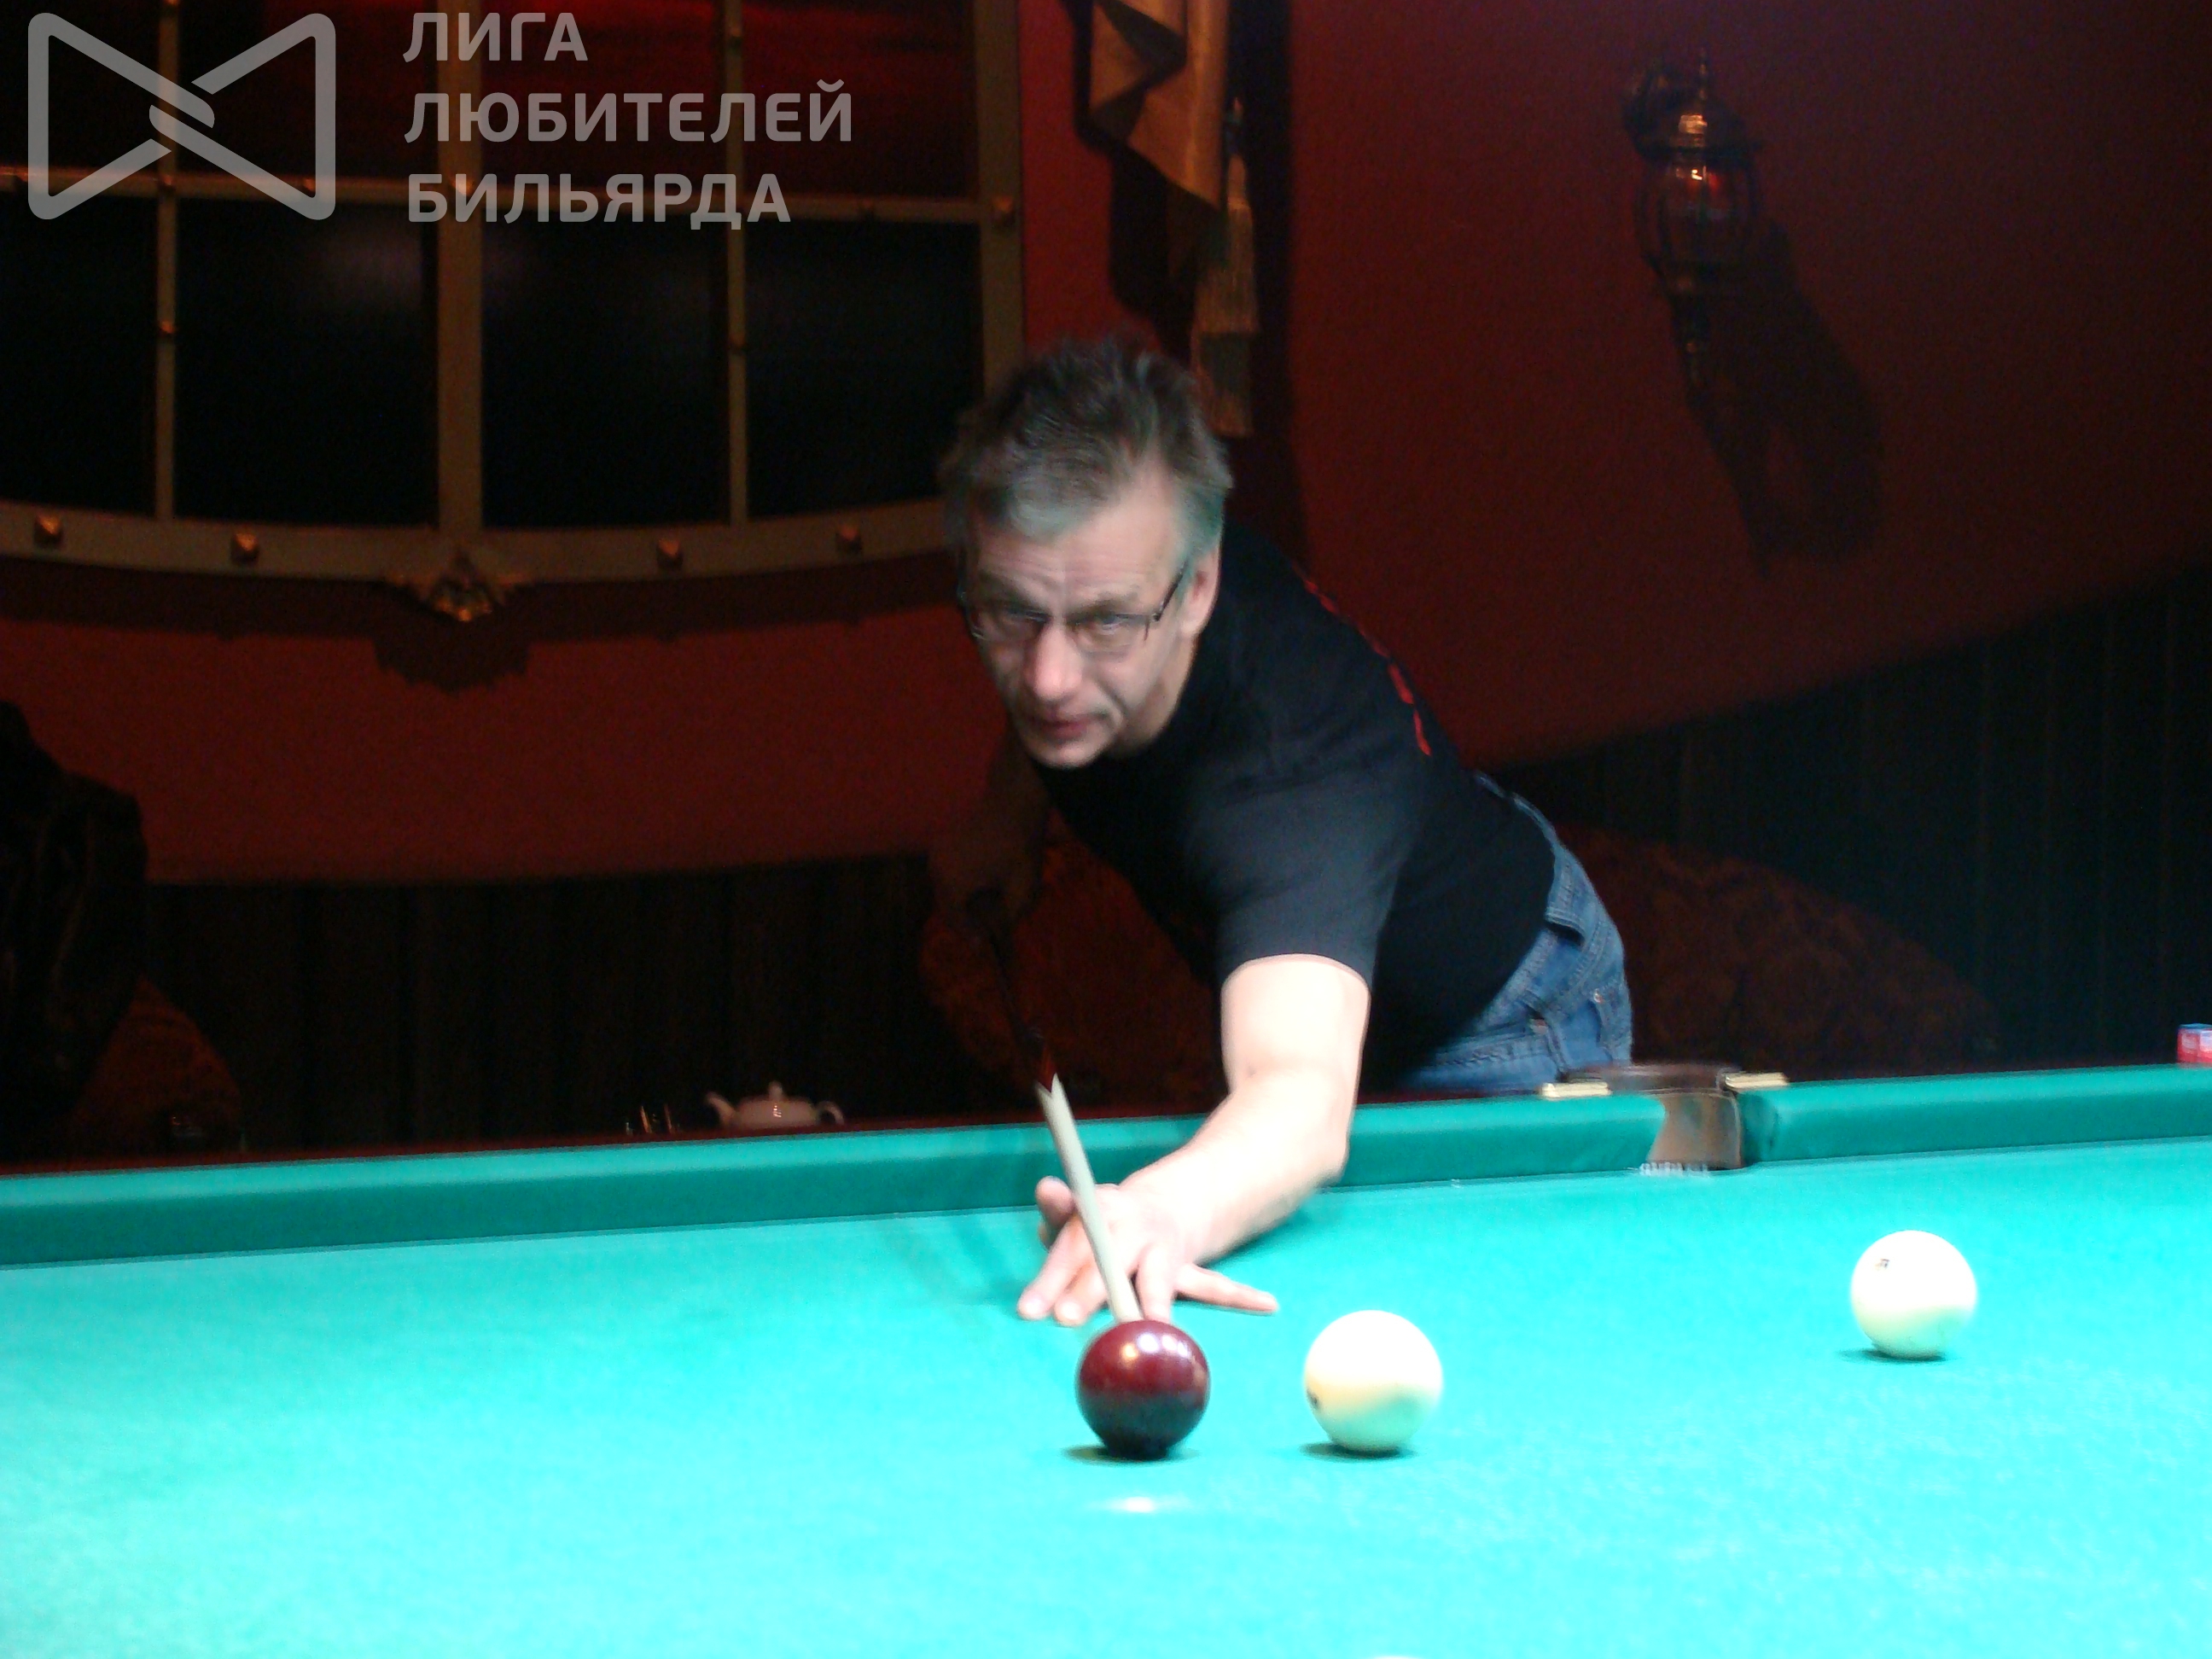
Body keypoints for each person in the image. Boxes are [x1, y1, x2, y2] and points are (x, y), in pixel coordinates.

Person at [931, 337, 1631, 1328]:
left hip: (1499, 1012)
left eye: (1103, 624)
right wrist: (1007, 816)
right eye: (1009, 614)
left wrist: (1163, 1212)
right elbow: (1056, 662)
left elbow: (1299, 1098)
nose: (1047, 680)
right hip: (1342, 963)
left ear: (1198, 590)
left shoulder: (1293, 776)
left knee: (1484, 1333)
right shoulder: (1125, 573)